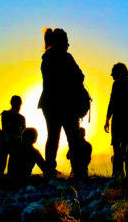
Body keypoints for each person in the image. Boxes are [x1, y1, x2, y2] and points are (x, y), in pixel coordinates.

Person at [38, 28, 85, 178]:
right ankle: (78, 170)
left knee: (52, 138)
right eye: (66, 43)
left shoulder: (46, 59)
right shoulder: (66, 58)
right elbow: (80, 76)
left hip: (49, 103)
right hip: (67, 104)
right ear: (60, 43)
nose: (68, 46)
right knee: (73, 138)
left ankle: (50, 170)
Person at [104, 63, 128, 178]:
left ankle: (118, 175)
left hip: (120, 121)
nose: (112, 76)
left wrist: (107, 119)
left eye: (113, 74)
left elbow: (112, 102)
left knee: (118, 150)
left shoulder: (117, 85)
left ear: (118, 73)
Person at [0, 95, 26, 175]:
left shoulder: (5, 114)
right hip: (13, 144)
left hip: (4, 143)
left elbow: (5, 128)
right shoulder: (21, 118)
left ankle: (0, 182)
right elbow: (23, 132)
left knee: (1, 167)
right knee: (9, 168)